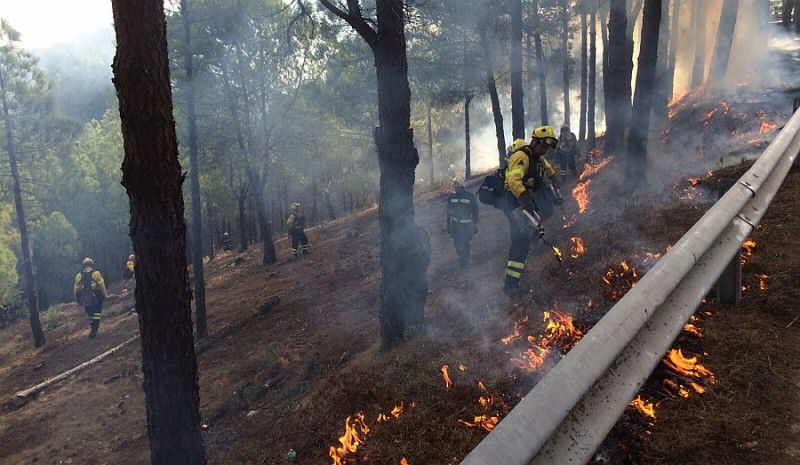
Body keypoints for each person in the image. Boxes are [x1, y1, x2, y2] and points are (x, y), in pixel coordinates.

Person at [501, 126, 561, 296]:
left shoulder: (537, 158)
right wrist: (523, 197)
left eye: (546, 148)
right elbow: (514, 180)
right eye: (543, 146)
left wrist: (553, 177)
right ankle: (510, 287)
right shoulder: (521, 157)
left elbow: (546, 166)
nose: (544, 151)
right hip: (514, 201)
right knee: (519, 242)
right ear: (534, 142)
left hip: (524, 200)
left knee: (524, 241)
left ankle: (514, 279)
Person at [446, 177, 479, 268]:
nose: (455, 188)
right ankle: (462, 258)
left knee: (464, 242)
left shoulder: (469, 196)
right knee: (457, 242)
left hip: (466, 224)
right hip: (456, 225)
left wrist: (475, 224)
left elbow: (475, 210)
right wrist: (448, 224)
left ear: (461, 186)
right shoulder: (451, 197)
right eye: (454, 186)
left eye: (457, 186)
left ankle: (466, 260)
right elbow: (448, 212)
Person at [73, 257, 109, 339]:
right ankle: (94, 329)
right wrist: (105, 296)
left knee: (90, 314)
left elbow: (76, 289)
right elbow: (102, 286)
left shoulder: (79, 276)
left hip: (85, 297)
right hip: (96, 296)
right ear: (92, 264)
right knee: (97, 313)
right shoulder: (96, 274)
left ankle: (92, 328)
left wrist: (77, 299)